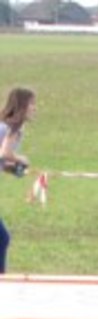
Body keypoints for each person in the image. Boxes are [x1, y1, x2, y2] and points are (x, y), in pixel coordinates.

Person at [1, 87, 37, 274]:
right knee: (2, 239)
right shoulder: (14, 127)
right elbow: (4, 153)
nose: (34, 108)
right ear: (22, 106)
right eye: (32, 104)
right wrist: (21, 159)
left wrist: (13, 170)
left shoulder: (6, 125)